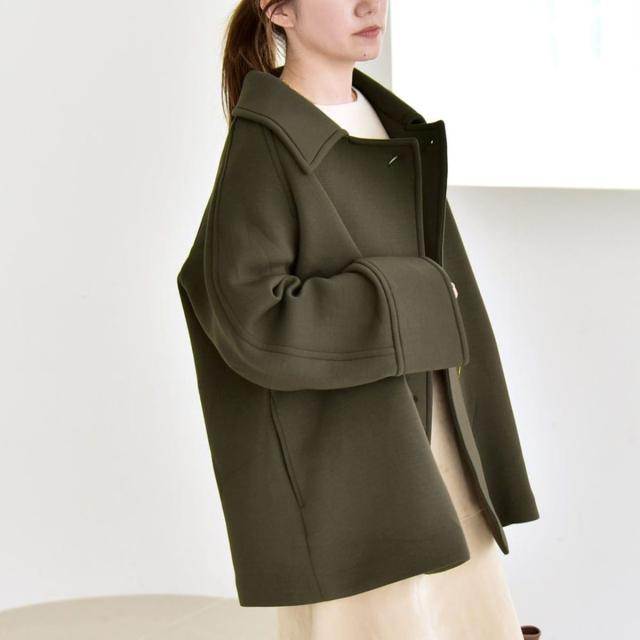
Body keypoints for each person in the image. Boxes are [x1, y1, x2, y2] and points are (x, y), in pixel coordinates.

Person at [177, 1, 542, 638]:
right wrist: (413, 297)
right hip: (353, 466)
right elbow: (247, 312)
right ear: (279, 10)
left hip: (437, 434)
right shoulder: (268, 140)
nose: (371, 5)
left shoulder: (389, 122)